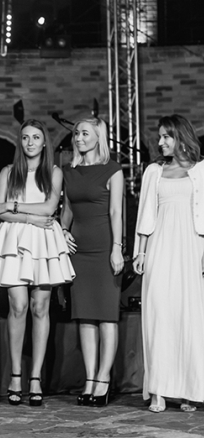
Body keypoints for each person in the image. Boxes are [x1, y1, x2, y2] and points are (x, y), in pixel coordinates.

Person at [0, 119, 75, 407]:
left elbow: (50, 208)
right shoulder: (8, 172)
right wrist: (29, 217)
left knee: (41, 307)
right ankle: (16, 375)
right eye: (25, 137)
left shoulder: (54, 172)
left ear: (44, 142)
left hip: (43, 243)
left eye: (36, 137)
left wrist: (13, 206)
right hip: (14, 242)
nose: (30, 142)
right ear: (20, 141)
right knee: (18, 306)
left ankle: (35, 377)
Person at [132, 114, 204, 413]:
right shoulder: (154, 171)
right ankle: (158, 390)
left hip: (191, 249)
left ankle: (187, 391)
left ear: (180, 137)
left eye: (166, 136)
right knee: (158, 315)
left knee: (187, 318)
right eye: (160, 136)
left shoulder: (201, 171)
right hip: (160, 247)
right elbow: (145, 215)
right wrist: (140, 252)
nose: (160, 142)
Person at [60, 116, 124, 408]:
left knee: (107, 316)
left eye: (85, 133)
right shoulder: (69, 171)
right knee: (85, 316)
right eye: (76, 133)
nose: (79, 138)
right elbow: (67, 210)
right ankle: (89, 380)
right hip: (79, 250)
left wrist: (117, 248)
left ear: (99, 137)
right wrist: (63, 232)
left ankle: (103, 379)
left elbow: (116, 212)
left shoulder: (113, 169)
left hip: (104, 248)